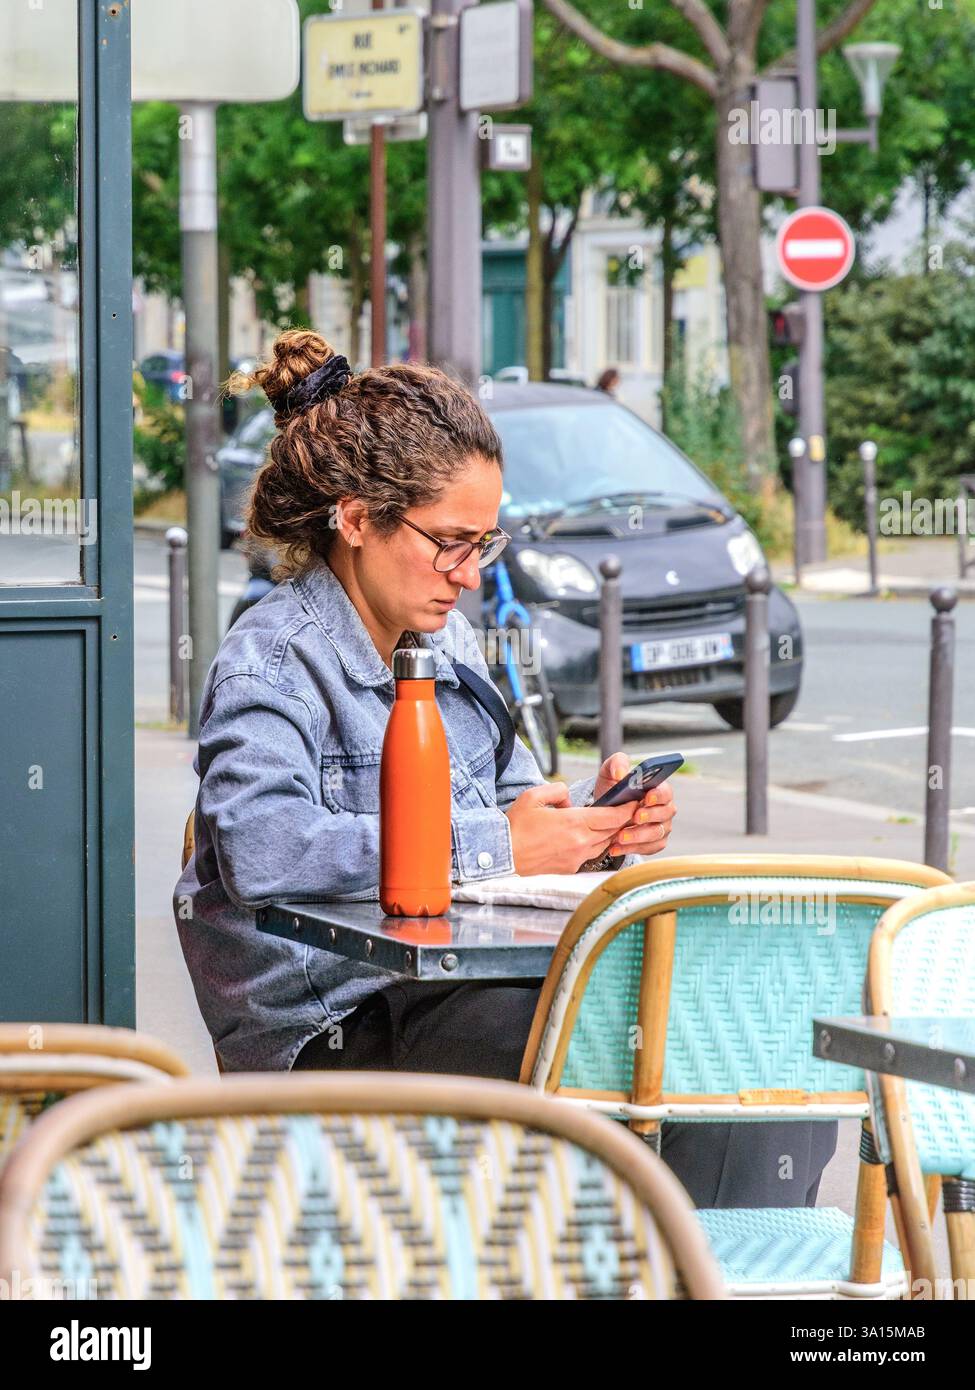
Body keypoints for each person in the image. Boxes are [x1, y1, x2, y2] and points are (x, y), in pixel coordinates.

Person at [173, 328, 834, 1209]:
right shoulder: (271, 658)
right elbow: (261, 848)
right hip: (337, 1029)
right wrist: (499, 844)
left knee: (752, 1049)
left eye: (483, 545)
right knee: (586, 1059)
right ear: (358, 518)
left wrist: (591, 826)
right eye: (449, 541)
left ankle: (704, 1267)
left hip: (471, 989)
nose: (467, 574)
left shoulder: (444, 638)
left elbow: (519, 802)